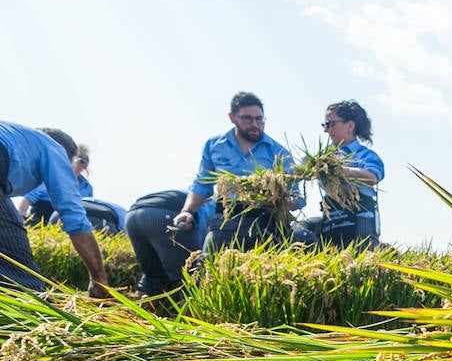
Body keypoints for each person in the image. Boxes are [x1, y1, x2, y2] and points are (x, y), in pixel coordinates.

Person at [171, 92, 297, 250]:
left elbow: (295, 195)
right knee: (210, 265)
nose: (255, 124)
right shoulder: (215, 146)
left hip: (264, 224)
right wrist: (187, 211)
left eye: (259, 119)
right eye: (247, 118)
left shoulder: (279, 152)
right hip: (225, 222)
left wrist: (276, 199)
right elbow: (202, 185)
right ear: (232, 117)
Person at [0, 122, 110, 297]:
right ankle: (33, 312)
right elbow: (75, 218)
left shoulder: (20, 139)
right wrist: (99, 279)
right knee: (21, 275)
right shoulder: (52, 147)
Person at [314, 99, 384, 248]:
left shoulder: (365, 155)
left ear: (350, 125)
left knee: (361, 259)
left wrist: (340, 171)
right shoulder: (326, 157)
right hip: (333, 220)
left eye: (331, 124)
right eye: (325, 125)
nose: (327, 130)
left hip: (360, 220)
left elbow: (372, 177)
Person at [125, 189, 215, 298]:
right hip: (164, 215)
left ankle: (135, 312)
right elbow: (203, 241)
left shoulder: (191, 194)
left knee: (153, 276)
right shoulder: (211, 203)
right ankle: (188, 314)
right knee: (190, 279)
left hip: (132, 216)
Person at [16, 141, 94, 224]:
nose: (82, 166)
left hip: (67, 224)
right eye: (81, 162)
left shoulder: (86, 188)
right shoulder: (49, 177)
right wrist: (21, 220)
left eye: (85, 163)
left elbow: (87, 210)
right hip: (40, 221)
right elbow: (27, 199)